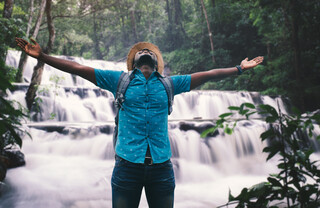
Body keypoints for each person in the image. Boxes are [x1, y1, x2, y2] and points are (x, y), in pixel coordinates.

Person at [15, 37, 264, 208]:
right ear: (134, 63)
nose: (145, 56)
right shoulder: (118, 80)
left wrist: (238, 69)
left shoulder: (170, 84)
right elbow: (78, 68)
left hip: (161, 168)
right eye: (141, 54)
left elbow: (208, 75)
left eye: (149, 54)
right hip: (127, 167)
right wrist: (43, 56)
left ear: (157, 63)